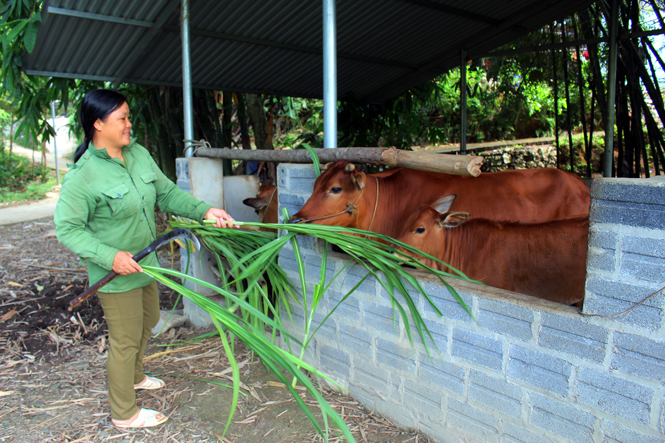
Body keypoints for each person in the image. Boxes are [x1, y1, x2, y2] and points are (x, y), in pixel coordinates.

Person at [54, 89, 234, 428]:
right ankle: (124, 412)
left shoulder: (137, 154)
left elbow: (165, 194)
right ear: (97, 123)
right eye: (121, 118)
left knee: (148, 320)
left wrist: (204, 211)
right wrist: (110, 257)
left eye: (128, 116)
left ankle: (135, 376)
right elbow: (68, 229)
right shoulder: (83, 176)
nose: (128, 124)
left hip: (146, 264)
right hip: (115, 273)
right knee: (125, 339)